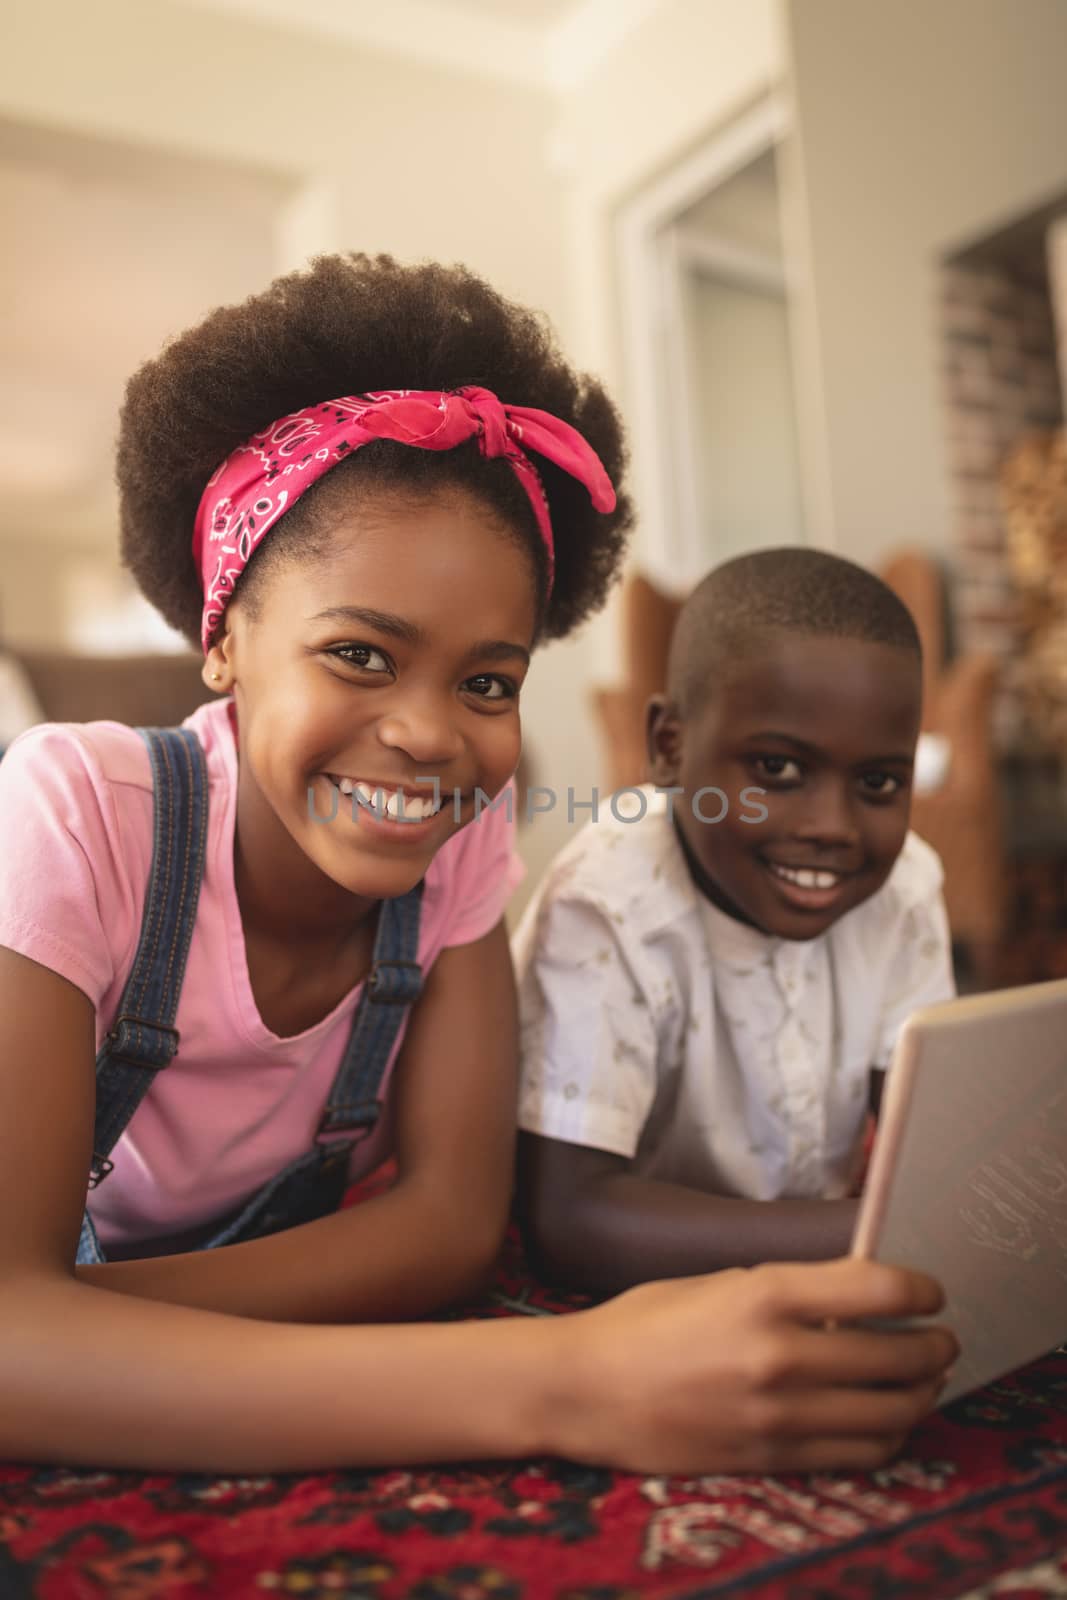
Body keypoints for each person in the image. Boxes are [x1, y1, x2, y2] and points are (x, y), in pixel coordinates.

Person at [0, 260, 955, 1475]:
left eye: (487, 682)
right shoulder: (75, 811)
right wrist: (566, 1380)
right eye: (357, 652)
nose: (430, 733)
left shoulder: (455, 841)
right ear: (223, 635)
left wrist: (88, 1329)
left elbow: (450, 1227)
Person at [515, 548, 956, 1297]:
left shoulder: (903, 887)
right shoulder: (608, 902)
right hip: (632, 1297)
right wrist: (888, 1230)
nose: (832, 827)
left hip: (821, 1264)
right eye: (778, 770)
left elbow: (934, 1146)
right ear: (669, 746)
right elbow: (570, 1219)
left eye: (878, 781)